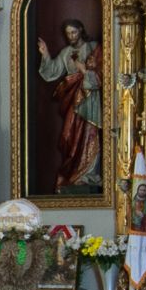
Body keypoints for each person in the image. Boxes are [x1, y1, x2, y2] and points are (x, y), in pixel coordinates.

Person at [34, 16, 103, 194]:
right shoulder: (66, 53)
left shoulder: (94, 48)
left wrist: (84, 71)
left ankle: (89, 175)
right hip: (73, 100)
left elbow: (103, 75)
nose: (71, 36)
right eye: (68, 34)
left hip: (91, 99)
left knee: (90, 134)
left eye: (73, 32)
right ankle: (74, 173)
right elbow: (52, 71)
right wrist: (45, 54)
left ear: (81, 31)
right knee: (70, 136)